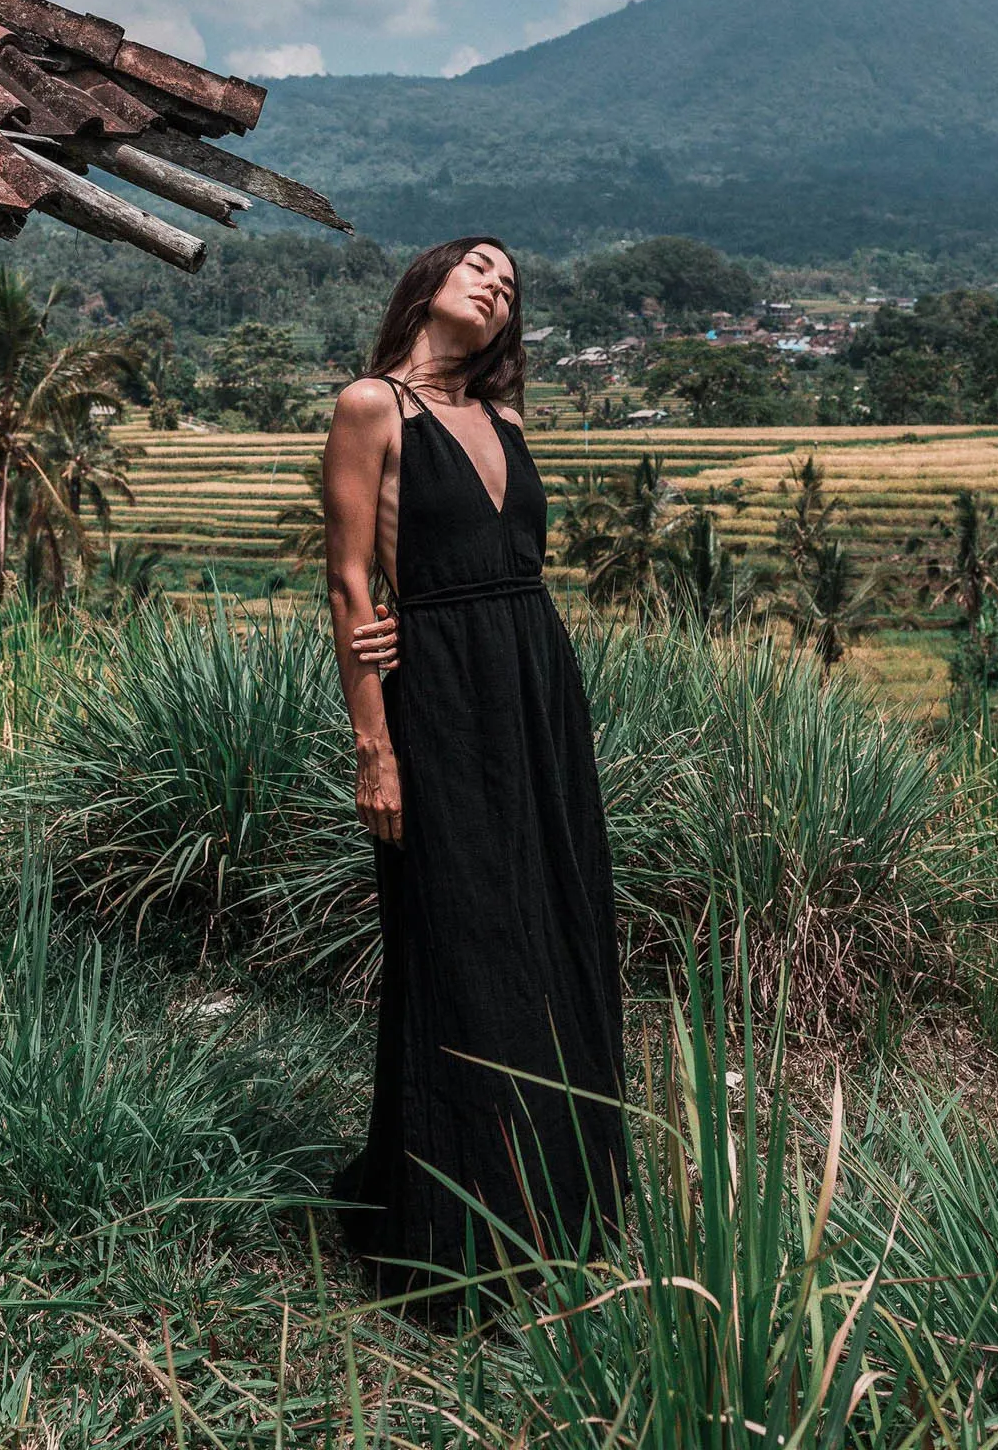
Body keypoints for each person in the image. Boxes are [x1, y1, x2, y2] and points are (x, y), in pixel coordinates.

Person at [322, 236, 625, 1298]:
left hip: (537, 683)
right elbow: (352, 586)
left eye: (511, 285)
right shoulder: (371, 407)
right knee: (463, 935)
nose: (497, 285)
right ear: (428, 283)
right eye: (479, 267)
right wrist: (377, 749)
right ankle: (456, 1232)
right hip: (439, 688)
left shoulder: (507, 420)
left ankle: (564, 1200)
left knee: (556, 925)